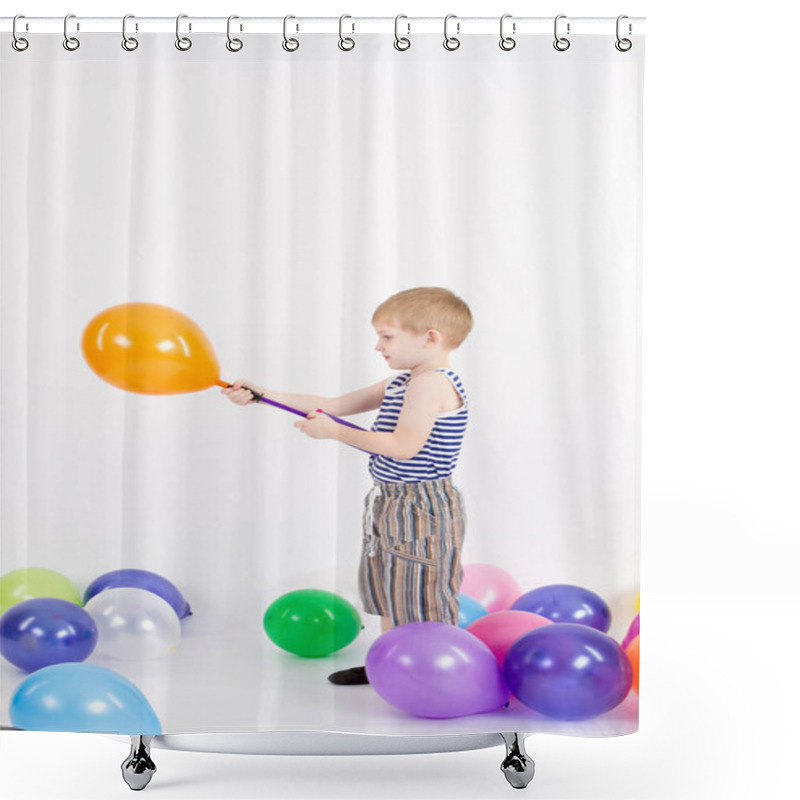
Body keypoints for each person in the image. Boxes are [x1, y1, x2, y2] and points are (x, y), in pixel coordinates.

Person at [221, 286, 472, 685]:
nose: (378, 346)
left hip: (422, 505)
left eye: (388, 337)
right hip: (391, 500)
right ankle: (390, 663)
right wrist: (263, 396)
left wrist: (334, 434)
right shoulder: (401, 382)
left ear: (430, 338)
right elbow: (331, 404)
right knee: (391, 586)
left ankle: (432, 674)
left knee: (420, 591)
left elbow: (404, 447)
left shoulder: (433, 384)